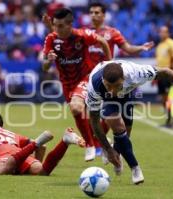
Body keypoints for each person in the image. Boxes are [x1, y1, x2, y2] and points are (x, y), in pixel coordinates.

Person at [42, 3, 154, 158]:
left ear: (103, 15)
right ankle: (100, 144)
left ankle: (103, 145)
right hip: (84, 78)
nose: (93, 15)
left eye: (96, 12)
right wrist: (51, 30)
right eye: (91, 12)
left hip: (105, 78)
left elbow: (127, 48)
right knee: (87, 114)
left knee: (106, 114)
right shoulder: (83, 32)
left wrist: (140, 48)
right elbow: (61, 39)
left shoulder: (111, 33)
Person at [86, 60, 173, 184]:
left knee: (125, 135)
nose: (112, 91)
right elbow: (94, 120)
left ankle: (116, 151)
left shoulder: (136, 73)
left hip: (126, 95)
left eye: (117, 86)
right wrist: (108, 149)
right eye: (109, 86)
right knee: (118, 127)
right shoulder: (94, 85)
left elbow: (166, 72)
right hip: (106, 100)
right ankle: (135, 168)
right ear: (103, 80)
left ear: (124, 78)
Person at [42, 8, 112, 161]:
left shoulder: (82, 35)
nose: (56, 29)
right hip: (67, 83)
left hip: (85, 78)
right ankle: (99, 144)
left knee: (76, 107)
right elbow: (44, 67)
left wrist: (109, 63)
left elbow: (103, 42)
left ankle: (89, 145)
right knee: (79, 113)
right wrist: (49, 60)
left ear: (70, 25)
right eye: (55, 25)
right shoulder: (51, 39)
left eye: (60, 26)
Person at [0, 111, 85, 175]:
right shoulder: (11, 133)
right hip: (22, 154)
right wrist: (36, 163)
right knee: (43, 172)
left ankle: (33, 145)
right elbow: (43, 147)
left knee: (3, 172)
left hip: (5, 156)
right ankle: (65, 141)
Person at [155, 26, 173, 128]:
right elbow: (159, 61)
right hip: (161, 74)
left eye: (164, 32)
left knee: (171, 97)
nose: (161, 34)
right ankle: (168, 120)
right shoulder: (160, 45)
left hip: (168, 74)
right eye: (160, 32)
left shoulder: (172, 44)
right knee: (163, 98)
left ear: (168, 33)